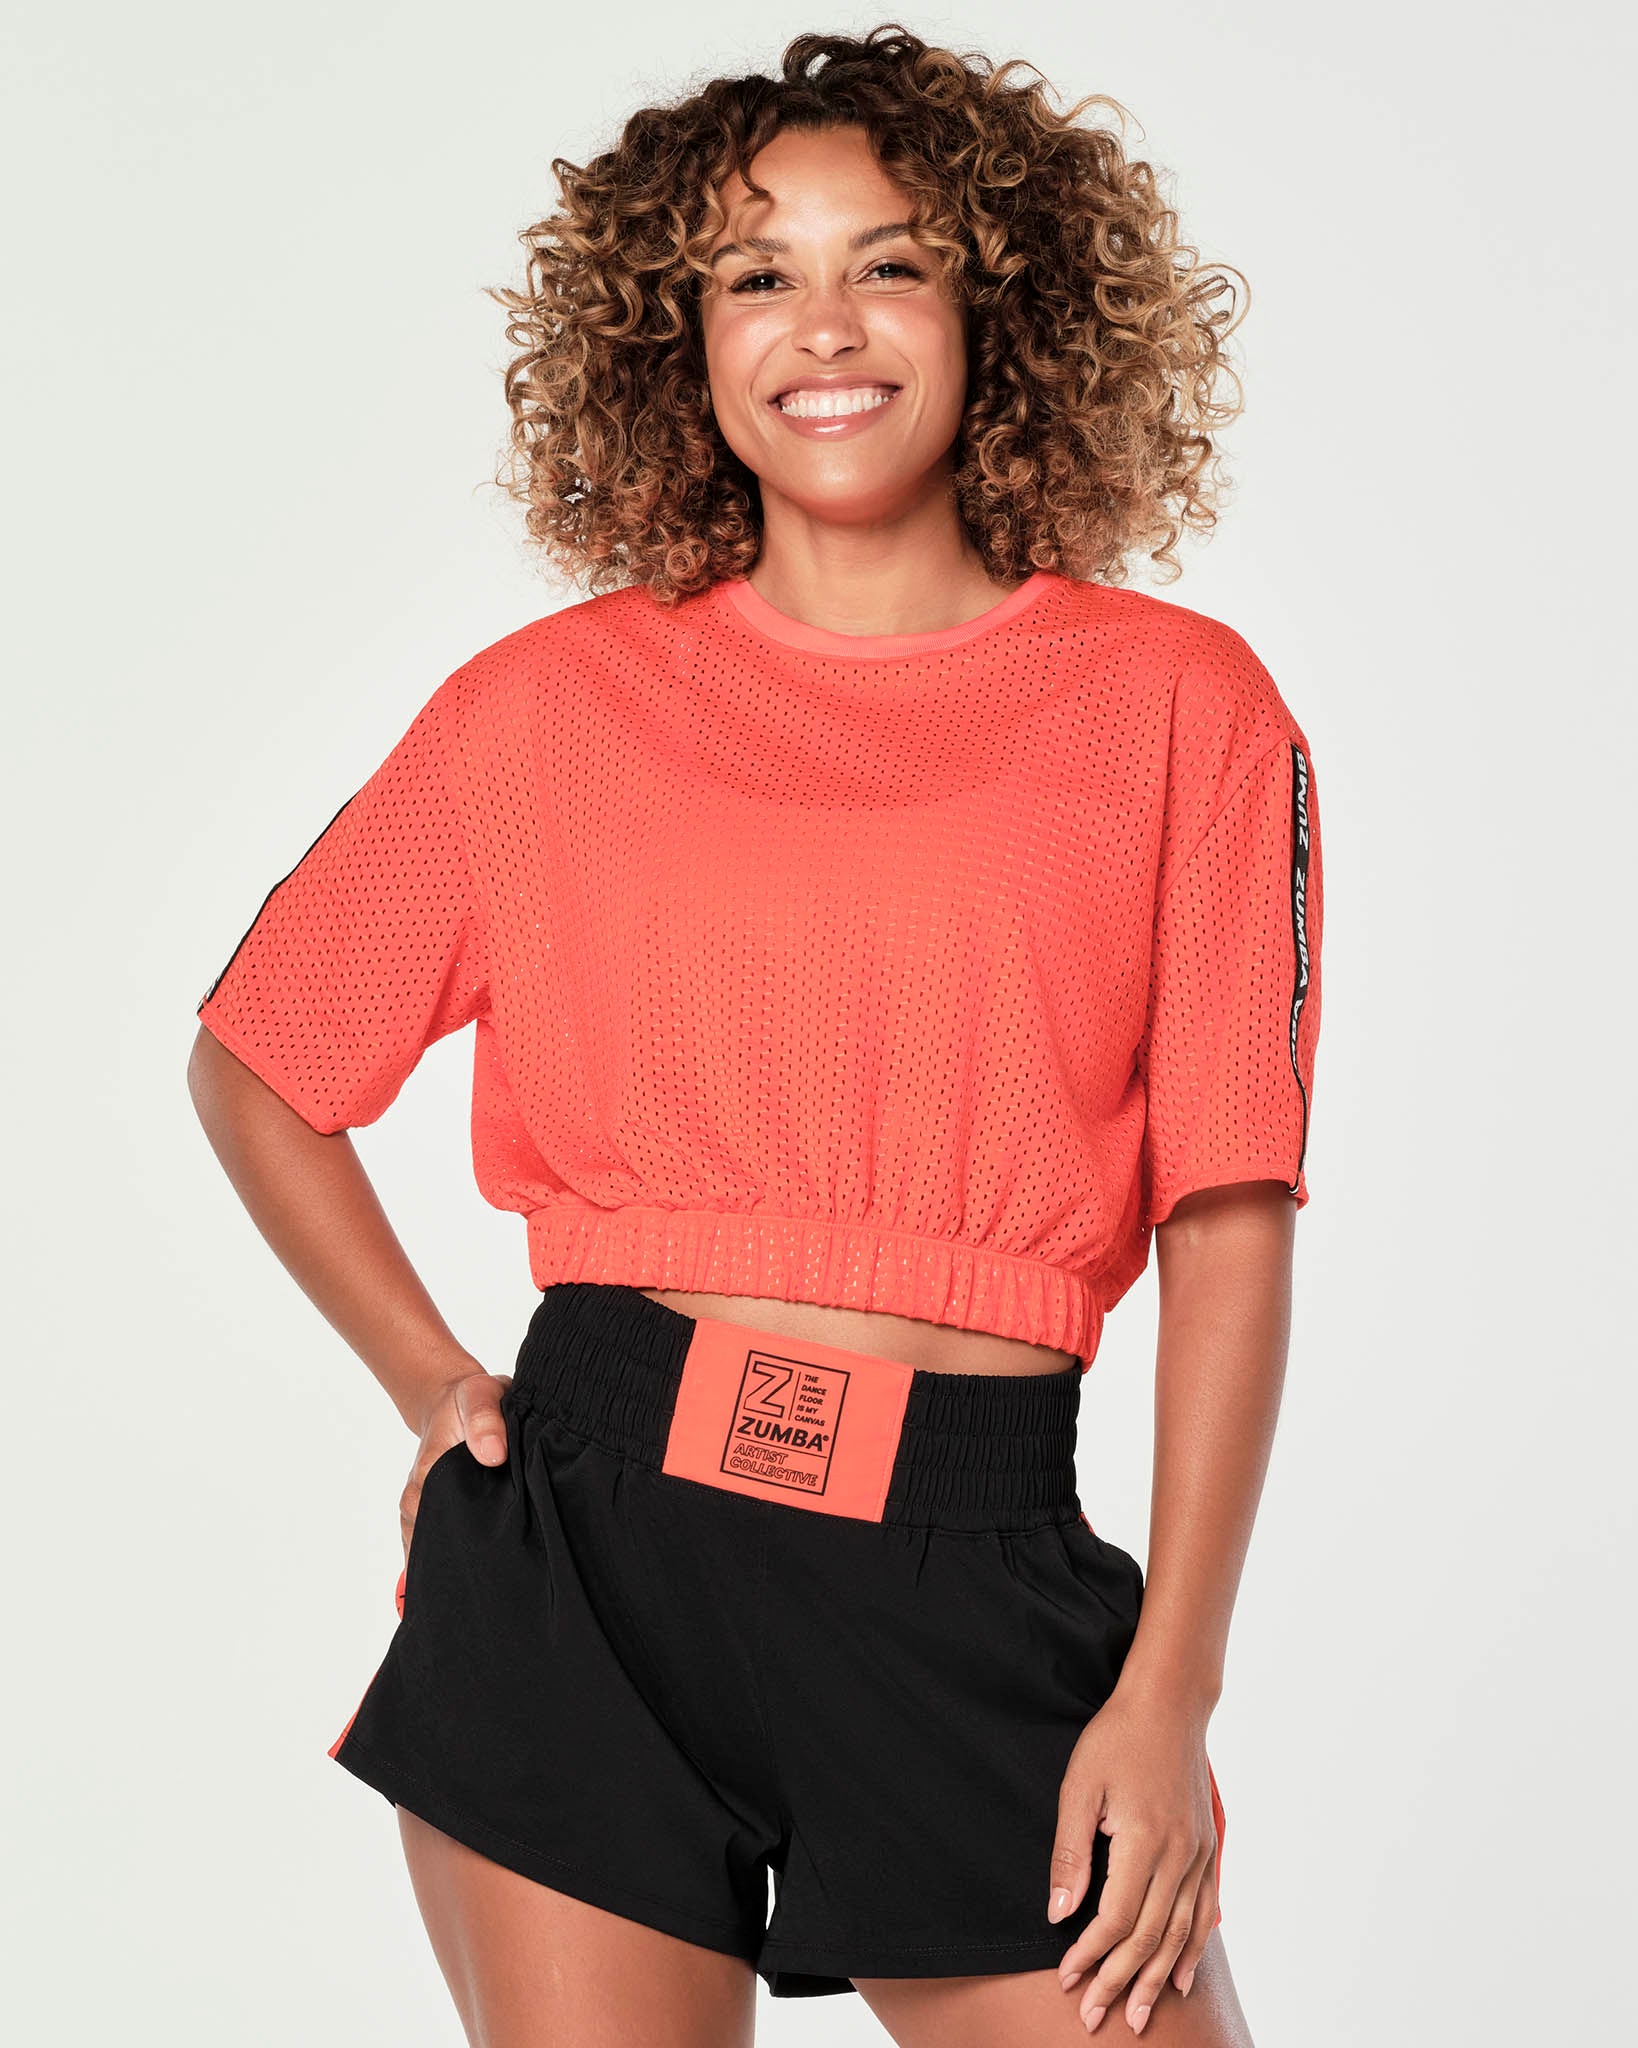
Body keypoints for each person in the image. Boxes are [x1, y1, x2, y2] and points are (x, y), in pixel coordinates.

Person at [187, 25, 1323, 2047]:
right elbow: (265, 1059)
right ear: (677, 337)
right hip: (590, 1547)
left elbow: (1228, 1208)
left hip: (974, 1555)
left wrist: (1171, 1685)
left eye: (891, 263)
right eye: (753, 275)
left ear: (997, 308)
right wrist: (432, 1382)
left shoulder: (1178, 708)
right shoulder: (547, 707)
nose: (826, 326)